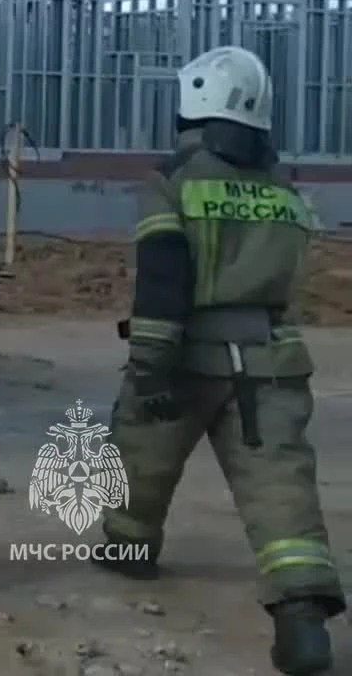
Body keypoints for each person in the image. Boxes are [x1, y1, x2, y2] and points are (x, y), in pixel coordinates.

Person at [93, 45, 340, 675]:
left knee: (140, 455)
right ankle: (302, 618)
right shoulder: (285, 192)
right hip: (271, 361)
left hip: (188, 355)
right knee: (280, 486)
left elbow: (164, 276)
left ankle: (129, 548)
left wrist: (149, 361)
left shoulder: (171, 184)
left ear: (191, 108)